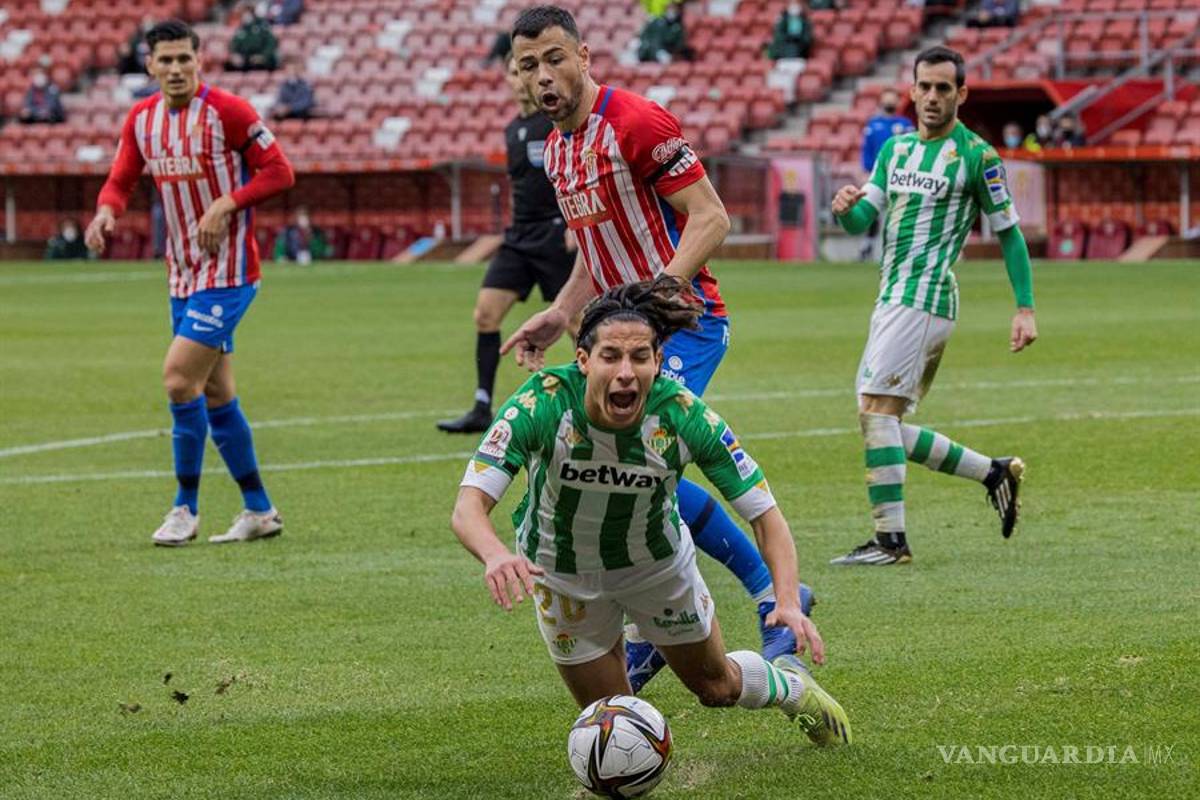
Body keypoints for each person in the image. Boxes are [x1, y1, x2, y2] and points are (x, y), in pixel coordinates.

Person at [503, 6, 814, 695]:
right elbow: (595, 247)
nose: (545, 76)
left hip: (683, 325)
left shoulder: (636, 122)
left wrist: (659, 292)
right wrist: (560, 312)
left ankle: (764, 595)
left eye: (556, 59)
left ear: (585, 57)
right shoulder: (556, 148)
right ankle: (650, 634)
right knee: (620, 467)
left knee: (641, 461)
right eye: (529, 66)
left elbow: (712, 217)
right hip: (617, 334)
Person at [451, 277, 852, 745]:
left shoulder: (684, 415)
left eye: (640, 357)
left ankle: (789, 689)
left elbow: (765, 515)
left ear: (658, 363)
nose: (626, 372)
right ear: (583, 361)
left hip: (656, 568)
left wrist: (784, 601)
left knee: (715, 687)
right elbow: (468, 507)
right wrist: (496, 554)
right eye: (611, 357)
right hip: (561, 574)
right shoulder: (541, 402)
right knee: (614, 720)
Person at [84, 19, 295, 546]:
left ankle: (185, 506)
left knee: (179, 379)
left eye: (185, 58)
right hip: (181, 273)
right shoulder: (142, 118)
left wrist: (228, 201)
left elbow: (278, 171)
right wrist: (106, 212)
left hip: (229, 274)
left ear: (200, 60)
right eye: (166, 60)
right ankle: (260, 510)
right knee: (218, 393)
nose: (176, 69)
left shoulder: (228, 111)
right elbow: (122, 178)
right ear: (150, 65)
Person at [828, 46, 1036, 566]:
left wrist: (1024, 307)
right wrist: (844, 212)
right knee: (880, 419)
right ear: (913, 90)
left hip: (926, 298)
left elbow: (1010, 234)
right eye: (925, 86)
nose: (933, 97)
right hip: (890, 296)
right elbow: (863, 221)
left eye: (944, 88)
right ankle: (993, 471)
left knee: (876, 413)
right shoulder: (895, 152)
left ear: (961, 94)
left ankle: (890, 542)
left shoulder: (977, 156)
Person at [437, 53, 576, 434]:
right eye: (514, 73)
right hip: (519, 237)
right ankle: (482, 406)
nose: (520, 80)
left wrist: (573, 221)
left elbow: (574, 170)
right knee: (485, 313)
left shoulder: (557, 123)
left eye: (525, 72)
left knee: (579, 323)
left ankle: (597, 402)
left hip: (555, 233)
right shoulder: (513, 128)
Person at [859, 88, 914, 261]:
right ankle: (867, 247)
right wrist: (866, 171)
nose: (889, 103)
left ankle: (900, 250)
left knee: (900, 214)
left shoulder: (905, 124)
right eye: (886, 100)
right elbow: (867, 151)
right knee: (873, 212)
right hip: (877, 177)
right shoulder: (873, 125)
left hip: (901, 177)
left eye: (892, 100)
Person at [226, 4, 279, 72]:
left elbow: (271, 43)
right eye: (243, 14)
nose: (245, 16)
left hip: (262, 60)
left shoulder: (262, 26)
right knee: (229, 66)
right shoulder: (241, 29)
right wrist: (235, 55)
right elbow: (234, 44)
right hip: (246, 60)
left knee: (259, 64)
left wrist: (263, 56)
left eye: (247, 13)